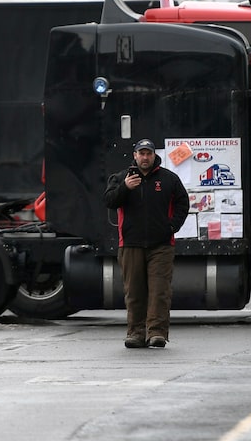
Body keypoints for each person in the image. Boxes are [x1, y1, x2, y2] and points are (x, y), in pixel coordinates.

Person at [103, 138, 189, 350]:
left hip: (161, 245)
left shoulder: (168, 178)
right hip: (130, 244)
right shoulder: (122, 178)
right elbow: (109, 201)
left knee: (159, 291)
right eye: (141, 153)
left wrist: (172, 227)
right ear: (135, 156)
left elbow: (183, 202)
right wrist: (125, 188)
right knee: (134, 292)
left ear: (153, 155)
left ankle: (157, 333)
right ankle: (136, 333)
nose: (145, 157)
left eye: (148, 153)